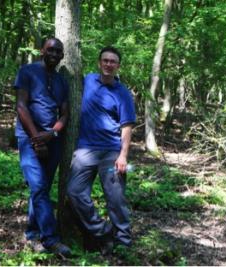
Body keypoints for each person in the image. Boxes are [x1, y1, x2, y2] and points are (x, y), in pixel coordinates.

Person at [67, 46, 136, 250]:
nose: (108, 64)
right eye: (105, 60)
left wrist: (123, 156)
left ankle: (123, 240)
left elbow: (127, 127)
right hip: (85, 150)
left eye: (112, 61)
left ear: (118, 66)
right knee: (74, 191)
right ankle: (103, 231)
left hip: (111, 152)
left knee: (115, 197)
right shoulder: (86, 81)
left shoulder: (123, 93)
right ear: (99, 63)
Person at [13, 37, 71, 256]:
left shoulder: (61, 80)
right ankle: (51, 239)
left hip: (53, 140)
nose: (55, 55)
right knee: (37, 186)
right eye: (51, 50)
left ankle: (32, 234)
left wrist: (53, 133)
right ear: (42, 51)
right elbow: (21, 106)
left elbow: (65, 114)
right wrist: (37, 138)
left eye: (59, 52)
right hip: (29, 139)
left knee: (42, 189)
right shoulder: (27, 72)